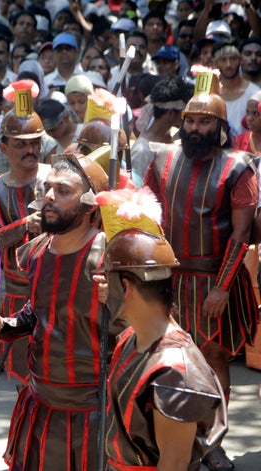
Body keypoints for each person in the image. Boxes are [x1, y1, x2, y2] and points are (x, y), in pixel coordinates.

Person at [143, 92, 258, 471]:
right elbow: (146, 214)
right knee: (166, 363)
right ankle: (175, 442)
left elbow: (241, 235)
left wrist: (223, 287)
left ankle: (213, 443)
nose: (194, 128)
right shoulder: (162, 159)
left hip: (213, 281)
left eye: (204, 122)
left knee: (212, 360)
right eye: (190, 121)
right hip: (168, 279)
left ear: (221, 127)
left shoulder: (239, 167)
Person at [0, 153, 122, 470]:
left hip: (94, 410)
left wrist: (116, 303)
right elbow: (37, 312)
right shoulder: (35, 250)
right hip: (40, 402)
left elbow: (142, 332)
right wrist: (4, 327)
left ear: (90, 206)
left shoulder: (111, 255)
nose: (49, 196)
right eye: (47, 188)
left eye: (63, 190)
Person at [96, 188, 228, 471]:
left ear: (125, 286)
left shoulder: (174, 374)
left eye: (107, 277)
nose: (102, 286)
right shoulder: (131, 337)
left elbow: (175, 463)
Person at [0, 96, 48, 380]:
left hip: (54, 291)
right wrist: (22, 227)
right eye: (21, 143)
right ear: (4, 148)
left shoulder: (58, 181)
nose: (30, 149)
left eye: (35, 142)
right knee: (21, 375)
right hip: (16, 295)